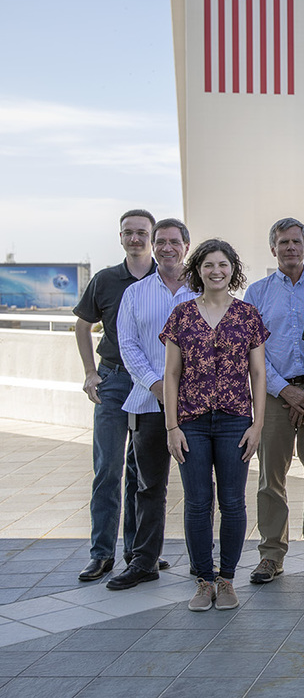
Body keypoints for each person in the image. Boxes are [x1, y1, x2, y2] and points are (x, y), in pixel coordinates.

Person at [163, 239, 269, 612]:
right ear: (198, 270)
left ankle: (227, 579)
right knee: (196, 502)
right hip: (190, 422)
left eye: (222, 265)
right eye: (208, 265)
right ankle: (203, 581)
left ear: (232, 269)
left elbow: (258, 374)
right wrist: (171, 427)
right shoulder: (182, 315)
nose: (216, 271)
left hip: (234, 420)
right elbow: (171, 374)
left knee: (232, 502)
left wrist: (257, 426)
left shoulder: (247, 315)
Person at [106, 219, 197, 590]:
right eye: (161, 241)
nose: (167, 247)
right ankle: (143, 560)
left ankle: (202, 561)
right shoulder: (136, 294)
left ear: (187, 246)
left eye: (175, 241)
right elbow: (127, 346)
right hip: (148, 403)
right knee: (148, 487)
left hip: (196, 405)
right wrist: (157, 385)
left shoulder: (202, 291)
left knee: (199, 487)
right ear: (154, 246)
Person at [243, 218, 304, 586]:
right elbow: (252, 350)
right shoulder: (257, 292)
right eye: (283, 242)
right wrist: (284, 390)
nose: (291, 248)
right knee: (270, 480)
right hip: (274, 396)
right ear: (273, 248)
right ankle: (271, 555)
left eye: (296, 241)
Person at [73, 209, 158, 581]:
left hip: (152, 384)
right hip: (114, 379)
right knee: (107, 468)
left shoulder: (169, 277)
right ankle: (101, 553)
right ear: (120, 237)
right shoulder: (105, 279)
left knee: (141, 473)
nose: (135, 238)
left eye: (142, 232)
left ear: (152, 237)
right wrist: (90, 372)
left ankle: (138, 555)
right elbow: (81, 324)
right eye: (129, 232)